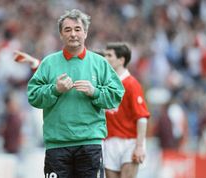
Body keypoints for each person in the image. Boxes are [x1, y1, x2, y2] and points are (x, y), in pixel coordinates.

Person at [27, 9, 124, 178]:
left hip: (90, 144)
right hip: (57, 145)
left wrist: (95, 92)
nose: (73, 34)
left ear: (85, 33)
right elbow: (33, 96)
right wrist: (55, 89)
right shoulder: (49, 63)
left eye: (77, 29)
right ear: (61, 35)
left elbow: (116, 95)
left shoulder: (99, 63)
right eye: (68, 30)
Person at [103, 42, 150, 178]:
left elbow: (141, 117)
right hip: (109, 142)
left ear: (121, 60)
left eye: (109, 55)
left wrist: (139, 146)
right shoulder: (106, 83)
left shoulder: (131, 84)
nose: (105, 58)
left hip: (129, 141)